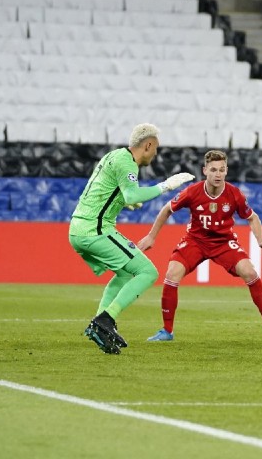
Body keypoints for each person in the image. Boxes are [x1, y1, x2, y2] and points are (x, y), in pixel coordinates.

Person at [139, 150, 262, 343]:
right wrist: (151, 237)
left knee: (250, 272)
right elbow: (167, 209)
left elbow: (252, 217)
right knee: (171, 274)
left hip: (223, 242)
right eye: (213, 170)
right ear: (205, 171)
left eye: (222, 170)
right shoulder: (192, 192)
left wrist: (261, 240)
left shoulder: (234, 194)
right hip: (196, 240)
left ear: (226, 171)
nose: (218, 174)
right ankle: (166, 331)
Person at [69, 123, 195, 354]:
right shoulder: (127, 162)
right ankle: (105, 320)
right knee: (148, 272)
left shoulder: (113, 156)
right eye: (155, 149)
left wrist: (127, 200)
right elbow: (132, 193)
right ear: (147, 145)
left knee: (126, 273)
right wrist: (165, 186)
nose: (155, 154)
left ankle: (100, 325)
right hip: (95, 229)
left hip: (79, 227)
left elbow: (108, 191)